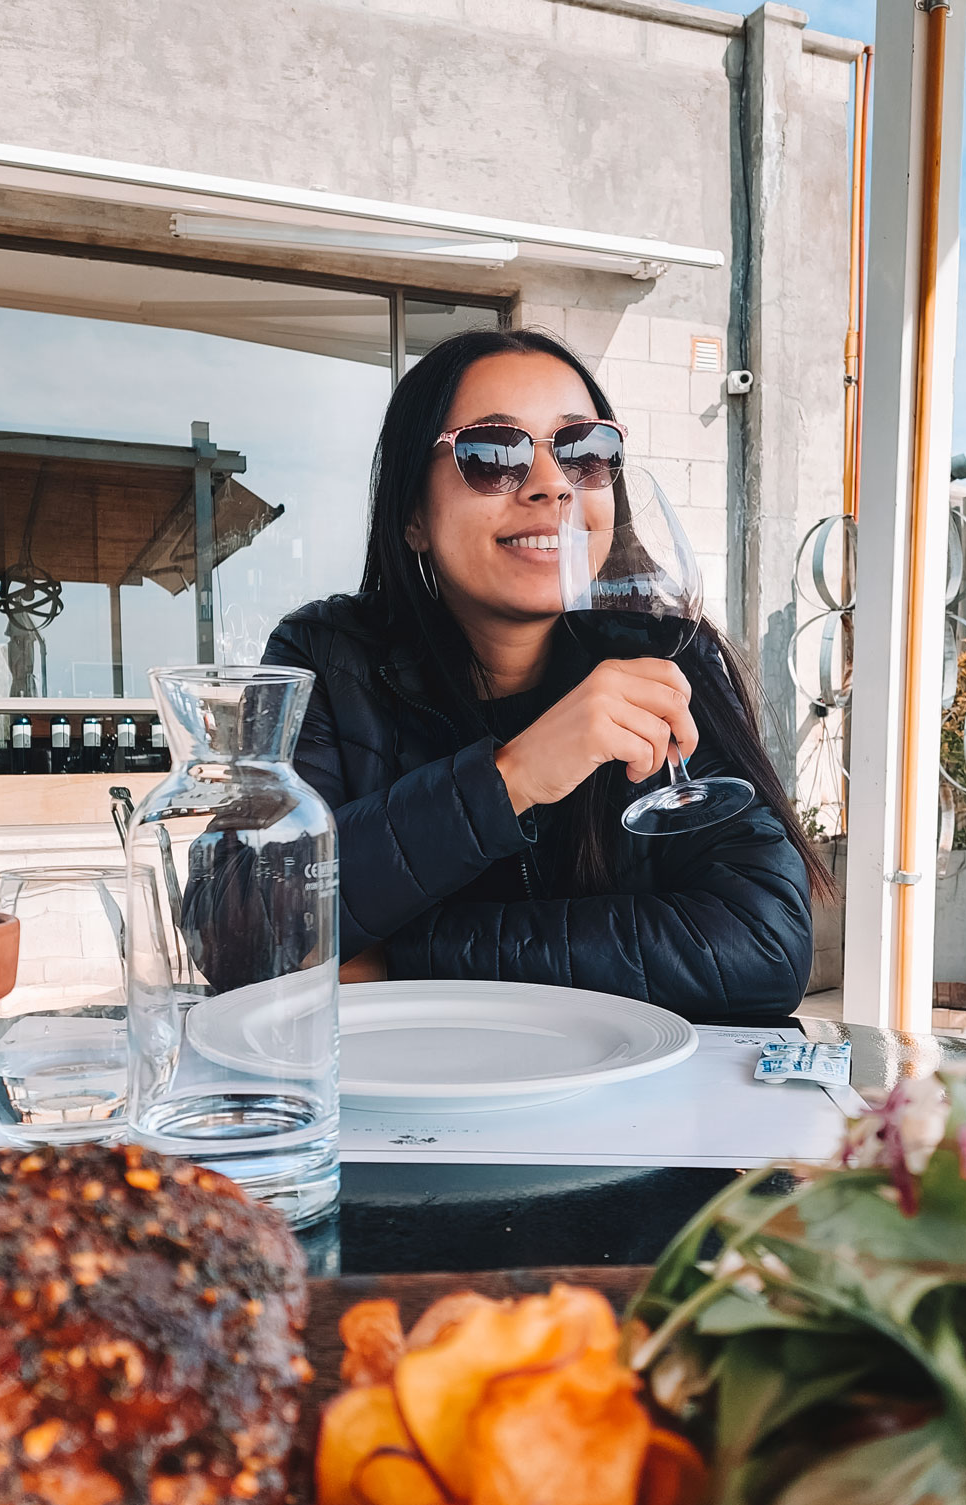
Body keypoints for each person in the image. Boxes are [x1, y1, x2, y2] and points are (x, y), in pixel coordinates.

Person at [257, 328, 827, 1022]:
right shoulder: (326, 660)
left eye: (585, 451)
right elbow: (251, 933)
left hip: (636, 1110)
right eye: (493, 454)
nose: (552, 484)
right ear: (412, 513)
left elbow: (763, 949)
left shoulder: (672, 663)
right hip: (396, 1108)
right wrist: (513, 776)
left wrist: (408, 962)